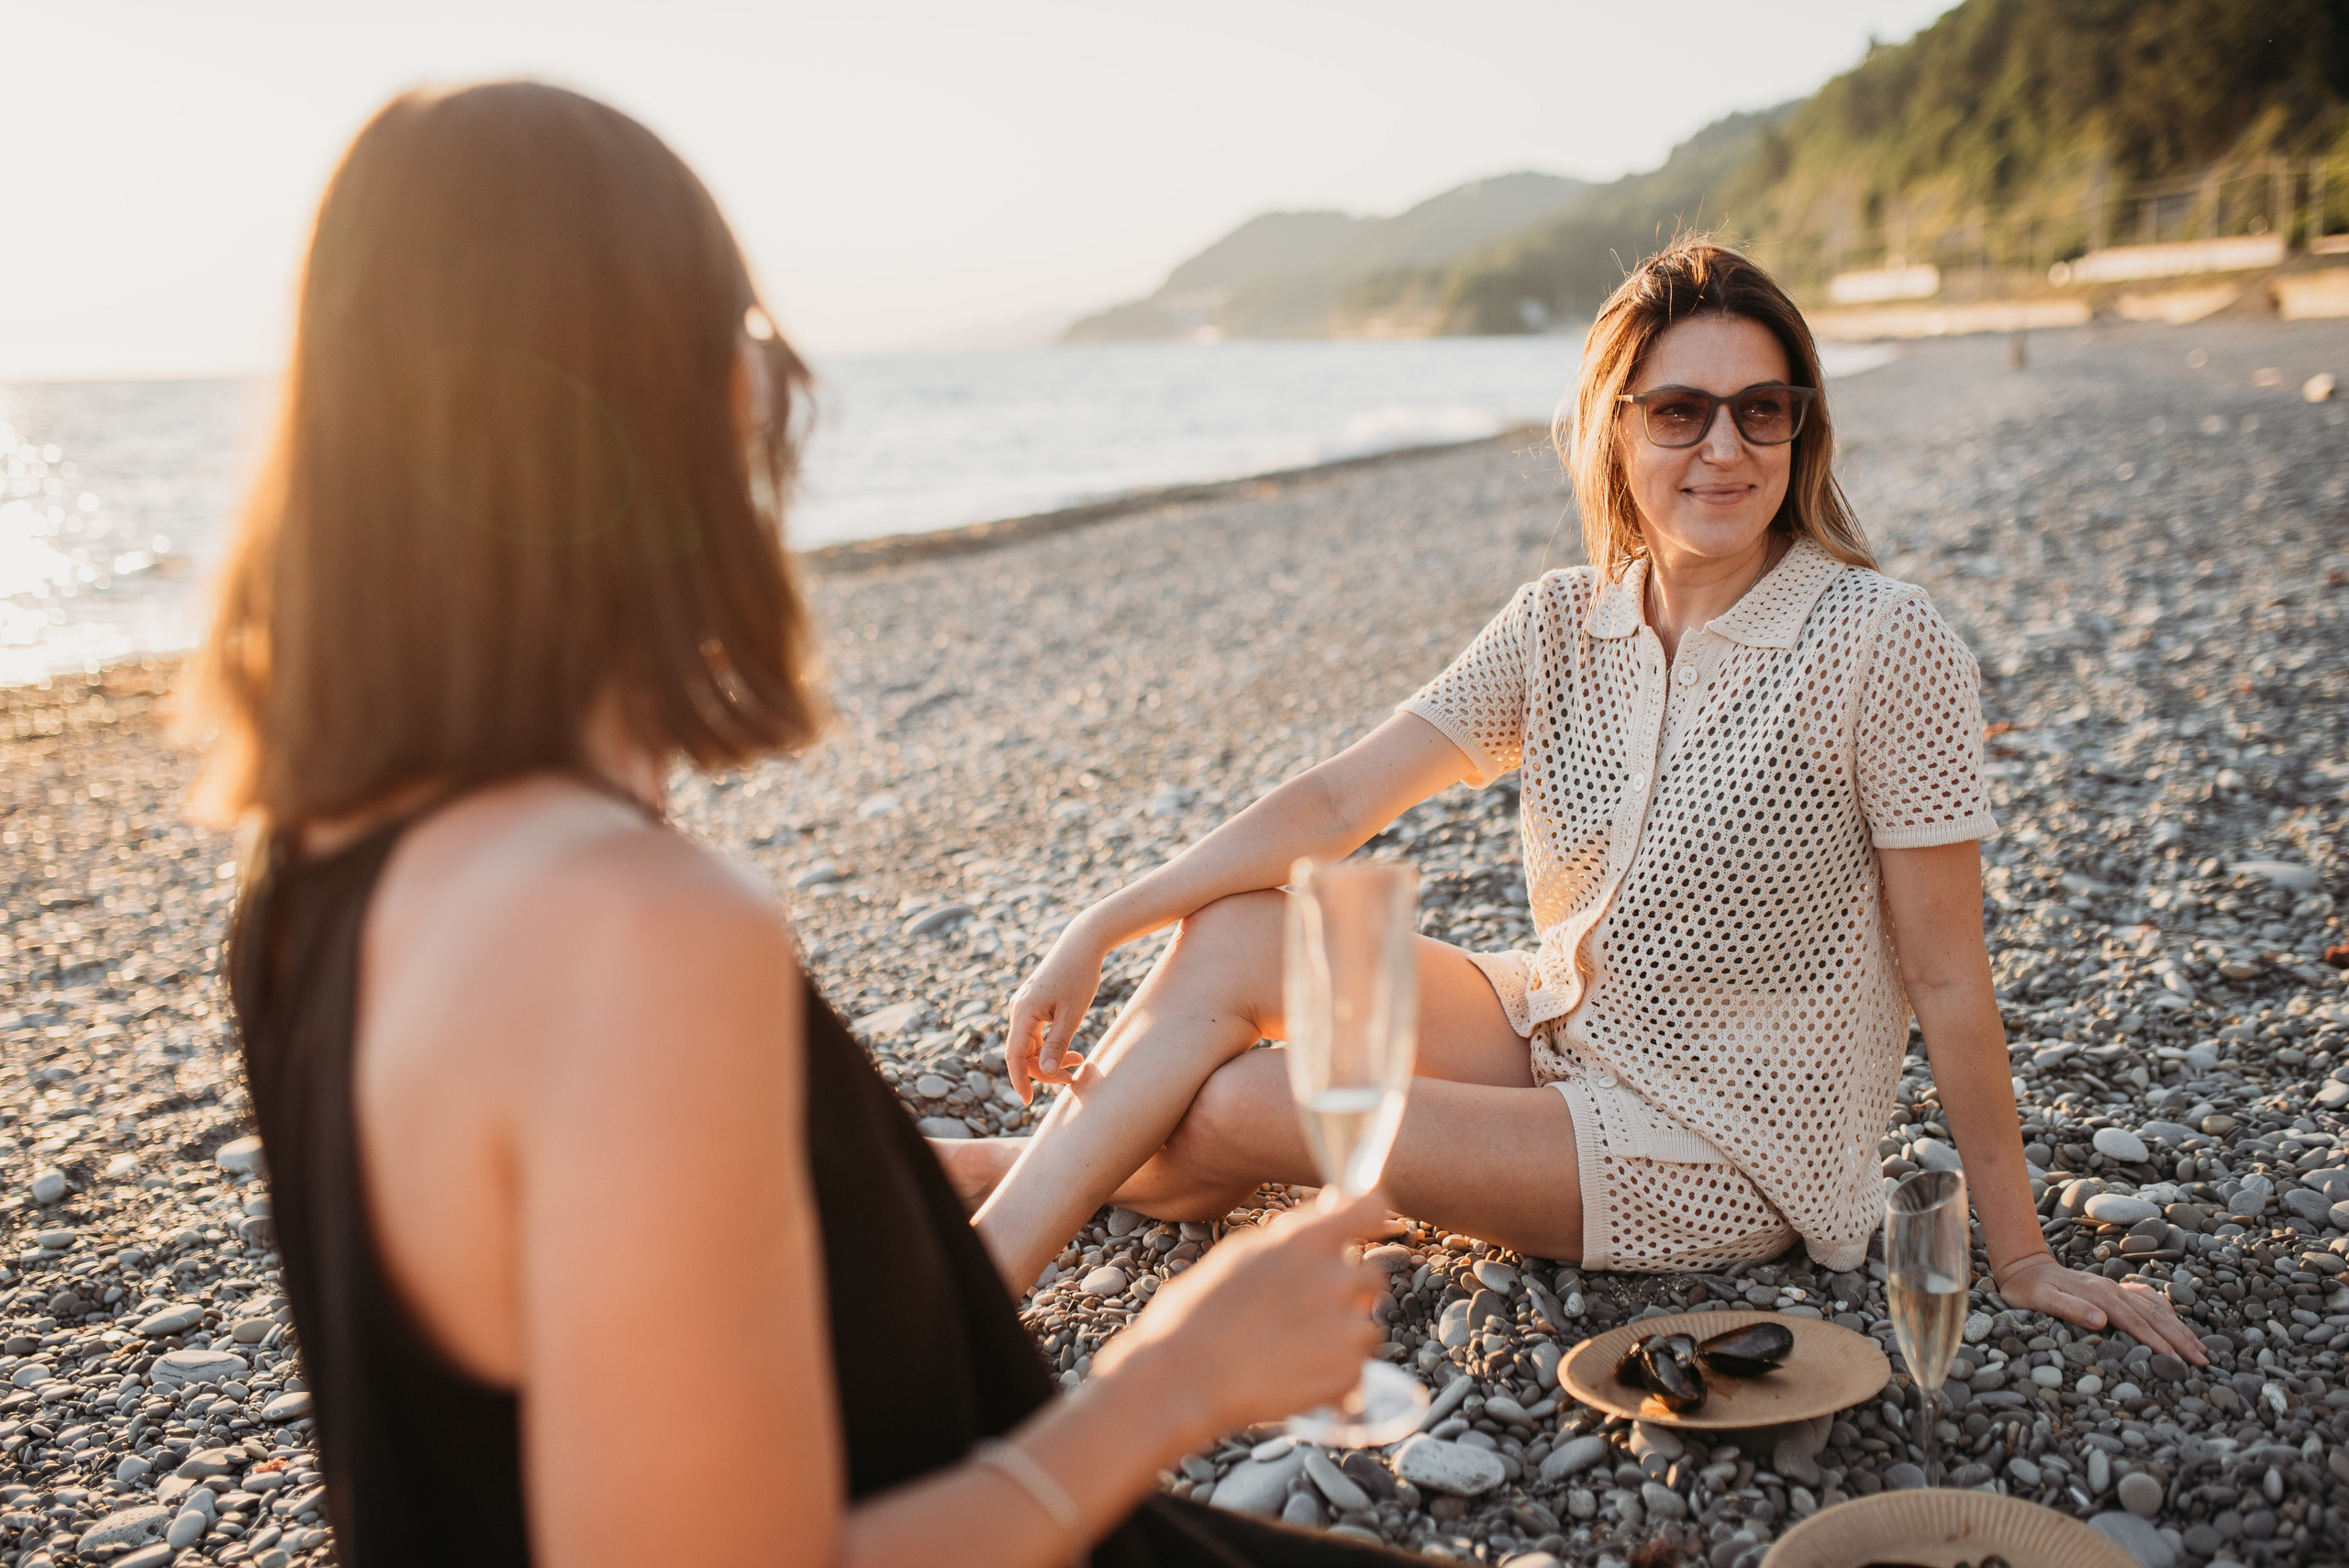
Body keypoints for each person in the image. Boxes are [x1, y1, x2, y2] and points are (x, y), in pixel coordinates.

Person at [199, 81, 1419, 1568]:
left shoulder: (303, 886)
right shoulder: (637, 932)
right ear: (707, 397)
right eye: (758, 351)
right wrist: (1178, 1378)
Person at [945, 239, 2207, 1369]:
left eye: (1760, 410)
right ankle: (1006, 1228)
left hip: (1718, 1142)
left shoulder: (1884, 641)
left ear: (1800, 430)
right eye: (1680, 410)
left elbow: (1948, 975)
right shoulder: (1560, 619)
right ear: (1615, 428)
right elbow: (1339, 793)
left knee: (1244, 1100)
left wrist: (2024, 1251)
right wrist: (1102, 921)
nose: (1724, 447)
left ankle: (995, 1223)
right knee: (1233, 936)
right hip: (1552, 1029)